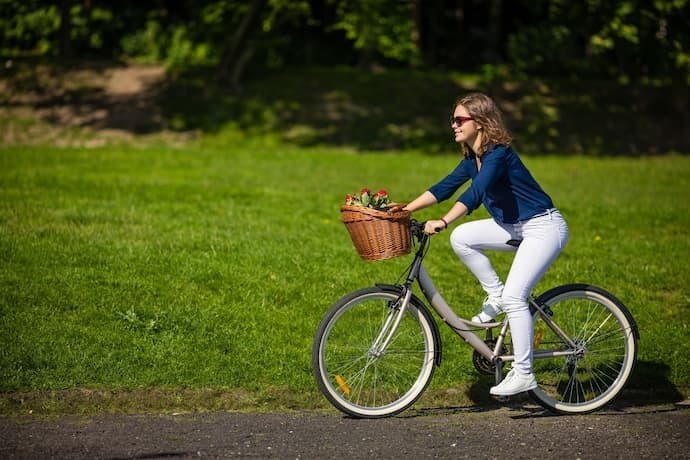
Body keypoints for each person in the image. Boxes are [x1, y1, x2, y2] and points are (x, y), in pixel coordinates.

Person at [396, 92, 569, 396]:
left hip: (544, 227)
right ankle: (495, 296)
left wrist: (444, 220)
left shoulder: (498, 154)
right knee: (463, 238)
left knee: (517, 296)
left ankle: (524, 372)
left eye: (459, 119)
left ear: (480, 122)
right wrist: (405, 210)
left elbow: (475, 194)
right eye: (453, 119)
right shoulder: (471, 159)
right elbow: (444, 187)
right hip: (514, 226)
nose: (453, 124)